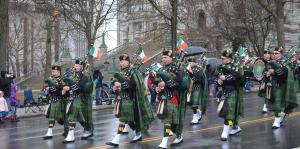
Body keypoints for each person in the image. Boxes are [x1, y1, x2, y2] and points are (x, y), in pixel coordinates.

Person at [106, 54, 154, 147]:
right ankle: (138, 133)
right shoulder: (120, 72)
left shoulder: (134, 72)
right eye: (120, 61)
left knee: (123, 119)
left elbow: (135, 84)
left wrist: (121, 84)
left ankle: (116, 139)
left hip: (129, 99)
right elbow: (113, 82)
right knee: (130, 120)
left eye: (123, 61)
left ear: (128, 62)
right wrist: (114, 86)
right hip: (120, 99)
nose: (121, 63)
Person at [153, 50, 186, 148]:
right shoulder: (161, 69)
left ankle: (164, 142)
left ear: (171, 58)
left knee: (167, 120)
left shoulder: (177, 68)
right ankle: (179, 136)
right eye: (163, 57)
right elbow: (155, 82)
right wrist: (157, 88)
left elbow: (179, 83)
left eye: (166, 57)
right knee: (168, 120)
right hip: (163, 98)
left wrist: (165, 84)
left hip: (172, 97)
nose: (163, 59)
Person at [216, 48, 245, 141]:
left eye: (223, 58)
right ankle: (235, 127)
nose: (222, 60)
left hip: (233, 92)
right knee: (224, 112)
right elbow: (216, 76)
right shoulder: (221, 67)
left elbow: (238, 77)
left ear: (229, 59)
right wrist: (218, 80)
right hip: (224, 92)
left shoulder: (236, 67)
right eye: (221, 58)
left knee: (229, 113)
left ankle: (225, 132)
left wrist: (225, 78)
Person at [265, 47, 298, 129]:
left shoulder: (286, 62)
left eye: (276, 53)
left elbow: (286, 70)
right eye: (273, 53)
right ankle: (277, 120)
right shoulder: (271, 62)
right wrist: (266, 73)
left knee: (285, 104)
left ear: (281, 54)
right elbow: (264, 70)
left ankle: (281, 116)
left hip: (283, 85)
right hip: (273, 85)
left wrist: (274, 72)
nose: (274, 55)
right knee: (277, 104)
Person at [62, 59, 93, 143]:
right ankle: (84, 129)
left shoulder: (85, 75)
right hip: (73, 98)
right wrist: (65, 87)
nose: (75, 67)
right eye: (75, 66)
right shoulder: (73, 74)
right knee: (77, 117)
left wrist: (70, 88)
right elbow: (69, 83)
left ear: (81, 67)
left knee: (79, 117)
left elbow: (81, 86)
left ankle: (87, 130)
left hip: (82, 98)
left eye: (77, 66)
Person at [43, 64, 66, 140]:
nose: (52, 72)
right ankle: (49, 132)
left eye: (54, 71)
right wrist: (46, 89)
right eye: (52, 71)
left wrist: (51, 89)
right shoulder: (50, 79)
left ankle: (67, 130)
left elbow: (62, 90)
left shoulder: (62, 79)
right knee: (51, 116)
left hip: (60, 100)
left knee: (63, 118)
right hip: (52, 100)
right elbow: (46, 87)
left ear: (58, 71)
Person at [186, 57, 208, 125]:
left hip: (197, 87)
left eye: (191, 62)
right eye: (189, 62)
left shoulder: (199, 69)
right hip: (189, 88)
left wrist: (190, 72)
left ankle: (195, 118)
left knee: (195, 103)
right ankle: (199, 112)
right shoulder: (187, 69)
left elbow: (195, 79)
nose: (190, 64)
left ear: (195, 62)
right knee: (191, 103)